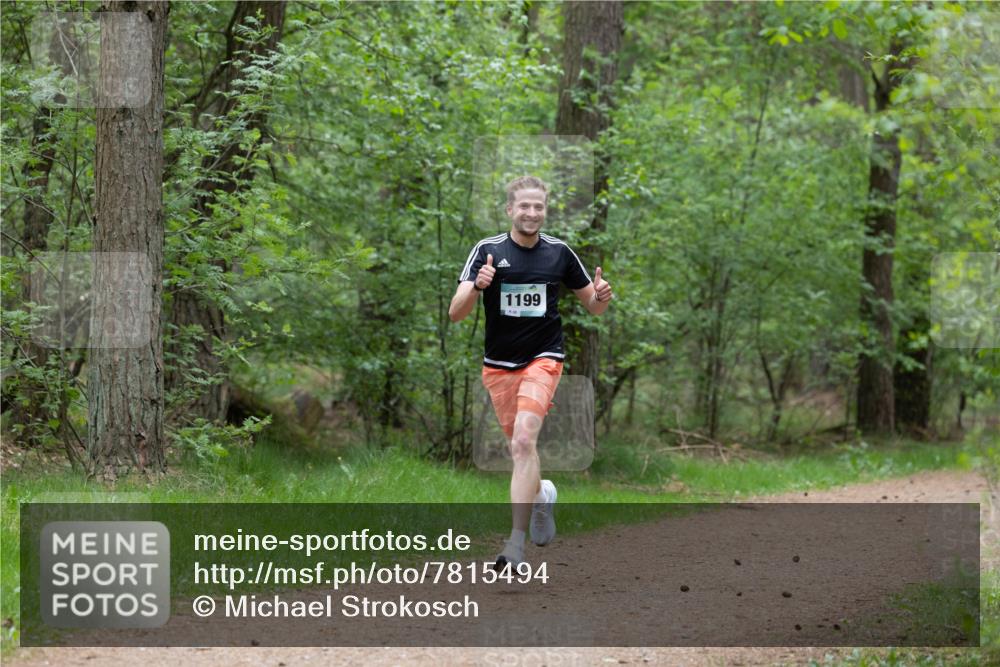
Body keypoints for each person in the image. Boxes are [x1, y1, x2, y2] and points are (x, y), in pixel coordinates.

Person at [448, 175, 613, 571]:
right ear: (510, 210)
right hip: (499, 367)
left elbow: (594, 306)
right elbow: (456, 313)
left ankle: (514, 547)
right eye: (524, 206)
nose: (532, 213)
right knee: (521, 451)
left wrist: (602, 295)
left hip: (544, 358)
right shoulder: (487, 251)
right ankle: (542, 497)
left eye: (538, 207)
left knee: (524, 441)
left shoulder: (559, 253)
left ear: (545, 210)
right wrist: (476, 287)